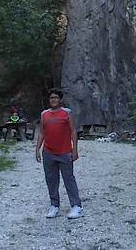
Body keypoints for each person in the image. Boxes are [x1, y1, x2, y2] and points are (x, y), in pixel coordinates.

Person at [35, 89, 82, 219]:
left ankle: (76, 206)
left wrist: (75, 150)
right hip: (48, 152)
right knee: (51, 180)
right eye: (51, 98)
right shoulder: (44, 114)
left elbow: (73, 131)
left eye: (56, 97)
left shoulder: (66, 113)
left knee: (69, 179)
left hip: (64, 152)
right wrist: (37, 149)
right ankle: (54, 205)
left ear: (60, 99)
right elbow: (41, 133)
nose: (53, 100)